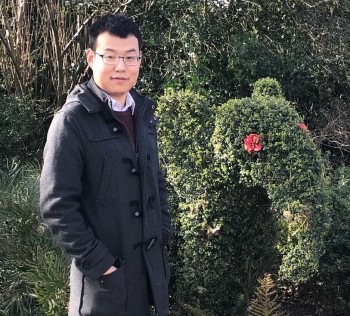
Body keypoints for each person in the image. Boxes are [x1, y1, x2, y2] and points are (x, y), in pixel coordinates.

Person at [40, 13, 173, 316]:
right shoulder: (72, 121)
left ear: (140, 59)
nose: (121, 67)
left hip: (151, 274)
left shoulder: (143, 113)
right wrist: (101, 263)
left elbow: (156, 178)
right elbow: (56, 205)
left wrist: (164, 234)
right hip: (104, 284)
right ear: (91, 57)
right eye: (110, 56)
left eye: (130, 57)